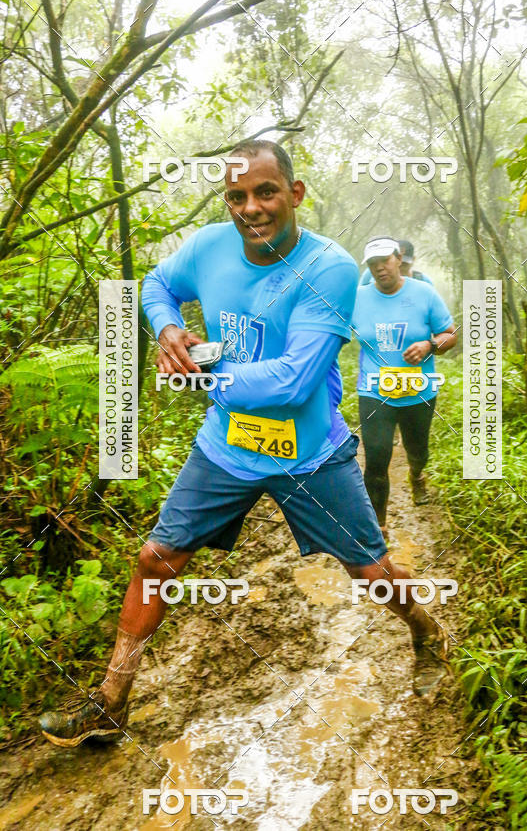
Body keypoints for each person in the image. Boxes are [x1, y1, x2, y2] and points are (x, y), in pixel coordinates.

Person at [39, 143, 450, 749]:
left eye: (266, 193)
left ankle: (425, 628)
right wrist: (169, 326)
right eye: (237, 196)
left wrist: (201, 377)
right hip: (226, 449)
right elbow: (156, 283)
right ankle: (108, 706)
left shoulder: (331, 269)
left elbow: (293, 381)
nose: (251, 208)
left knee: (372, 574)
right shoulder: (207, 246)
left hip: (309, 454)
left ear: (296, 193)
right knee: (155, 561)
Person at [353, 237, 457, 530]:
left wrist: (429, 345)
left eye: (384, 261)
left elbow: (450, 334)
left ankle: (416, 475)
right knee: (375, 462)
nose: (379, 269)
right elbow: (333, 332)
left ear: (399, 258)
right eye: (373, 264)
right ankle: (378, 531)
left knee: (417, 450)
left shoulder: (424, 293)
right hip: (375, 392)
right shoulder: (358, 298)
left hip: (419, 392)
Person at [359, 238, 434, 287]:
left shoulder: (423, 281)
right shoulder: (370, 274)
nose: (399, 266)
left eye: (404, 264)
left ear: (413, 260)